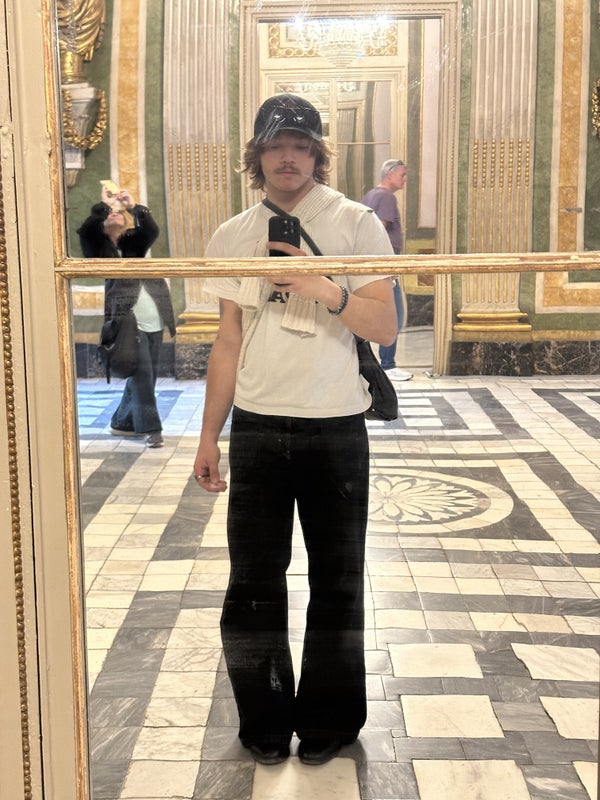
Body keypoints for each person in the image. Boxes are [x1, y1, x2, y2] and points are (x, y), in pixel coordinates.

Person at [193, 94, 397, 767]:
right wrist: (208, 436)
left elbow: (384, 326)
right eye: (276, 145)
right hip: (257, 425)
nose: (289, 157)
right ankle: (265, 718)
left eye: (301, 146)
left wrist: (324, 287)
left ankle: (330, 721)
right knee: (253, 580)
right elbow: (227, 340)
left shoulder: (356, 222)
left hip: (335, 424)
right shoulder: (232, 235)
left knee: (338, 578)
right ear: (257, 155)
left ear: (317, 154)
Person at [77, 186, 175, 448]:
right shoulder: (98, 247)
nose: (116, 214)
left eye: (119, 213)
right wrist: (104, 206)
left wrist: (133, 206)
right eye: (111, 213)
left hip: (155, 317)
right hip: (127, 323)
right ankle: (152, 429)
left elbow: (151, 230)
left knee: (146, 375)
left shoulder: (132, 242)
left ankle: (122, 422)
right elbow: (86, 232)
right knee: (142, 374)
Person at [361, 159, 413, 381]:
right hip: (384, 264)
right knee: (395, 315)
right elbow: (378, 230)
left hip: (372, 264)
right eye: (402, 175)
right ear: (390, 175)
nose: (404, 180)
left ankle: (369, 364)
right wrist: (387, 266)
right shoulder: (385, 197)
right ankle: (388, 365)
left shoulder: (372, 195)